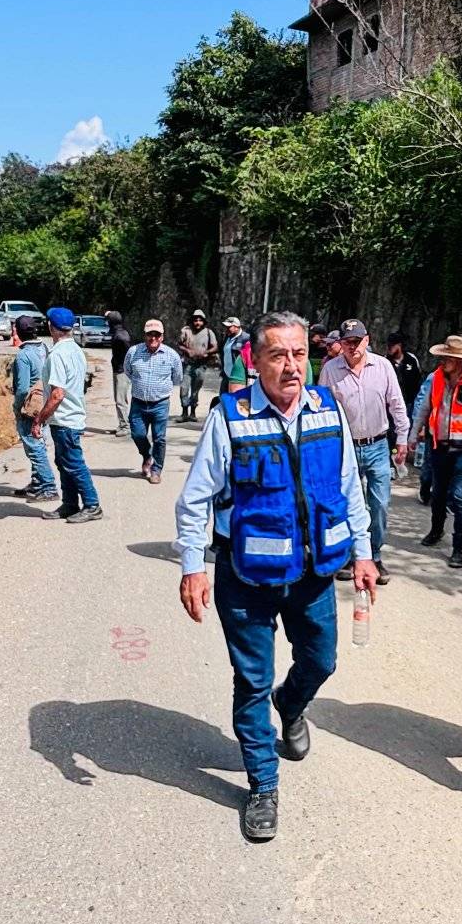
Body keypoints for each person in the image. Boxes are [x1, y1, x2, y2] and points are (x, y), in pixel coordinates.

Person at [175, 311, 378, 841]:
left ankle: (290, 707)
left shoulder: (327, 409)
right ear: (256, 360)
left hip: (313, 574)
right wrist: (193, 566)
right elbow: (196, 500)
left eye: (298, 354)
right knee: (252, 682)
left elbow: (349, 489)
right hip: (246, 578)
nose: (291, 367)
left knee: (321, 659)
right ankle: (263, 785)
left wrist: (363, 552)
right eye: (277, 356)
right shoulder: (230, 417)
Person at [320, 319, 409, 585]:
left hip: (378, 445)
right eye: (347, 342)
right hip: (345, 447)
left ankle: (375, 555)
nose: (352, 347)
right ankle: (350, 555)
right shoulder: (330, 370)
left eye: (357, 341)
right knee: (349, 503)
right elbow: (322, 410)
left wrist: (402, 439)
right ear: (341, 344)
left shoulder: (382, 367)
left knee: (379, 504)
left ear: (367, 340)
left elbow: (397, 404)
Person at [410, 335, 462, 569]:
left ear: (459, 361)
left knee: (458, 495)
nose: (443, 360)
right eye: (443, 356)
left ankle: (459, 549)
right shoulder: (436, 379)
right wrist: (413, 435)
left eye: (448, 357)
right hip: (440, 446)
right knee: (437, 493)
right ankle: (436, 531)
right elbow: (425, 409)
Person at [41, 306, 103, 522]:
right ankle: (69, 503)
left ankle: (92, 505)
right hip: (71, 416)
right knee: (64, 462)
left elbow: (57, 394)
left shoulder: (58, 354)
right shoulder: (76, 349)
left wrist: (40, 418)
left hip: (65, 419)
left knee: (74, 463)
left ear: (51, 327)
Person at [125, 318, 184, 484]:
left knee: (160, 438)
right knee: (137, 434)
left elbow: (177, 378)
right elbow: (128, 371)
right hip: (138, 403)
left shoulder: (172, 356)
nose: (153, 338)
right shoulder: (133, 352)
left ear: (162, 337)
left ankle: (156, 470)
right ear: (144, 335)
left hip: (160, 404)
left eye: (157, 335)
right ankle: (147, 456)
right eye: (150, 334)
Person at [10, 315, 59, 503]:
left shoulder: (23, 355)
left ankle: (48, 487)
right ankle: (37, 482)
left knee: (33, 446)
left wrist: (17, 407)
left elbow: (22, 388)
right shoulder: (44, 348)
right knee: (38, 443)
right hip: (44, 402)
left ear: (19, 332)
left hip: (30, 406)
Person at [386, 332, 423, 482]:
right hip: (389, 406)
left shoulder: (411, 360)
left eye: (392, 346)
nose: (389, 348)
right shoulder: (385, 362)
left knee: (401, 435)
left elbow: (418, 382)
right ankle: (390, 464)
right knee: (390, 435)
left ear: (399, 346)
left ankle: (397, 456)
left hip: (407, 404)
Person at [176, 309, 218, 422]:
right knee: (184, 389)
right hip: (187, 364)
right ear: (192, 321)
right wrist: (187, 350)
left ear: (203, 321)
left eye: (200, 320)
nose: (198, 323)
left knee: (195, 390)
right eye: (196, 320)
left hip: (201, 365)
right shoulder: (186, 331)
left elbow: (215, 346)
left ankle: (193, 413)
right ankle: (184, 412)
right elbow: (179, 344)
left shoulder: (209, 332)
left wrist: (207, 353)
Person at [106, 310, 133, 435]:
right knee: (120, 399)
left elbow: (130, 353)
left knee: (120, 400)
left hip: (122, 371)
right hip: (118, 369)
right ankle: (122, 424)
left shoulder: (121, 336)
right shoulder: (119, 332)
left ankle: (125, 426)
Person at [219, 315, 250, 394]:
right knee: (223, 399)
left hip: (239, 378)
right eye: (225, 327)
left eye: (229, 327)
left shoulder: (246, 339)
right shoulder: (227, 338)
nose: (227, 329)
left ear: (237, 327)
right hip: (226, 375)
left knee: (237, 401)